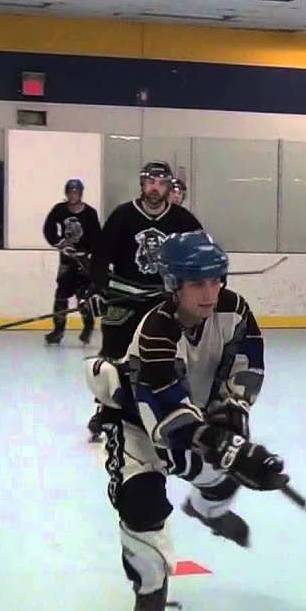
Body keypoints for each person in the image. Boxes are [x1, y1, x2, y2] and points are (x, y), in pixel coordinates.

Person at [83, 230, 286, 611]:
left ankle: (208, 510)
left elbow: (247, 367)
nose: (210, 292)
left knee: (224, 478)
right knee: (141, 503)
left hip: (195, 418)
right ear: (174, 285)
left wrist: (234, 415)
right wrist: (231, 450)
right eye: (197, 283)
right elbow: (167, 421)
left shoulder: (234, 310)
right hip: (139, 424)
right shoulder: (156, 331)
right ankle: (150, 588)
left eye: (216, 280)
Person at [84, 160, 203, 439]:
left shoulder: (183, 220)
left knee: (167, 356)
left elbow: (201, 254)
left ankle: (169, 408)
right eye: (150, 182)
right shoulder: (123, 215)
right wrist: (97, 290)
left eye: (161, 183)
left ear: (169, 187)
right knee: (114, 357)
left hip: (162, 300)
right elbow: (101, 256)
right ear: (142, 184)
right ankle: (108, 411)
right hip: (124, 297)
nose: (155, 188)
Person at [41, 178, 101, 345]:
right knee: (61, 294)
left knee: (83, 295)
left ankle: (88, 327)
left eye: (76, 192)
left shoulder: (90, 213)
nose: (73, 195)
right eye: (70, 192)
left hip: (84, 261)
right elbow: (48, 229)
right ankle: (58, 330)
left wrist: (89, 253)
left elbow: (97, 236)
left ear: (80, 193)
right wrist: (60, 243)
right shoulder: (59, 210)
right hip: (67, 260)